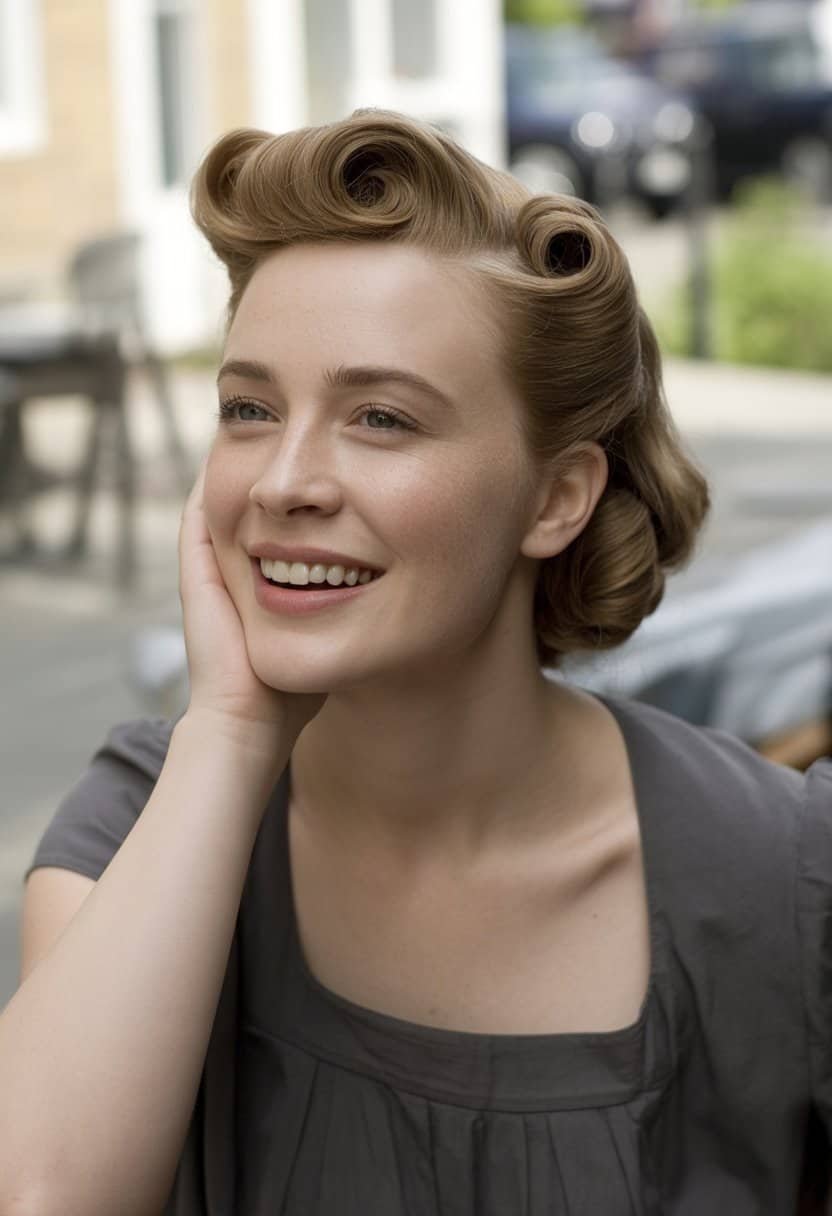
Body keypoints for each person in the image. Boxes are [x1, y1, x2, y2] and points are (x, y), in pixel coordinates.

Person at [1, 109, 831, 1216]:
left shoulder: (784, 881)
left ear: (555, 496)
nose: (284, 479)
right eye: (248, 407)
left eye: (381, 418)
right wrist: (234, 731)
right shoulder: (137, 827)